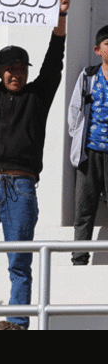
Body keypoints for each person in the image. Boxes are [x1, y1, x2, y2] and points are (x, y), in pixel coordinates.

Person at [0, 0, 70, 330]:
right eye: (8, 67)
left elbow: (55, 60)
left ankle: (18, 327)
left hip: (22, 187)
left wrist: (61, 17)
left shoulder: (38, 97)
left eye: (21, 67)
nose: (15, 72)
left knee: (19, 263)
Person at [68, 26, 108, 265]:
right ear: (98, 50)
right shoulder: (88, 76)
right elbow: (74, 112)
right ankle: (79, 258)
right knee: (84, 208)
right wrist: (79, 138)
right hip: (90, 153)